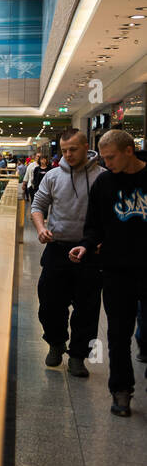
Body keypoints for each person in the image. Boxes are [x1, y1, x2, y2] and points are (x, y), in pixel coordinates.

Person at [70, 129, 147, 416]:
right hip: (116, 269)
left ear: (130, 150)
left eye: (111, 157)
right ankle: (121, 391)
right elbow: (94, 225)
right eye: (103, 158)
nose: (107, 162)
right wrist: (86, 246)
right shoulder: (104, 182)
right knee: (117, 334)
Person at [31, 129, 104, 378]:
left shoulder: (101, 177)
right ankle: (55, 342)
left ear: (86, 146)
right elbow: (38, 205)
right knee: (49, 304)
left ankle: (77, 356)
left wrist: (103, 240)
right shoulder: (52, 176)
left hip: (89, 252)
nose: (68, 154)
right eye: (64, 150)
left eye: (73, 149)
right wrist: (41, 228)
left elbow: (110, 215)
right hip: (57, 250)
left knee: (87, 308)